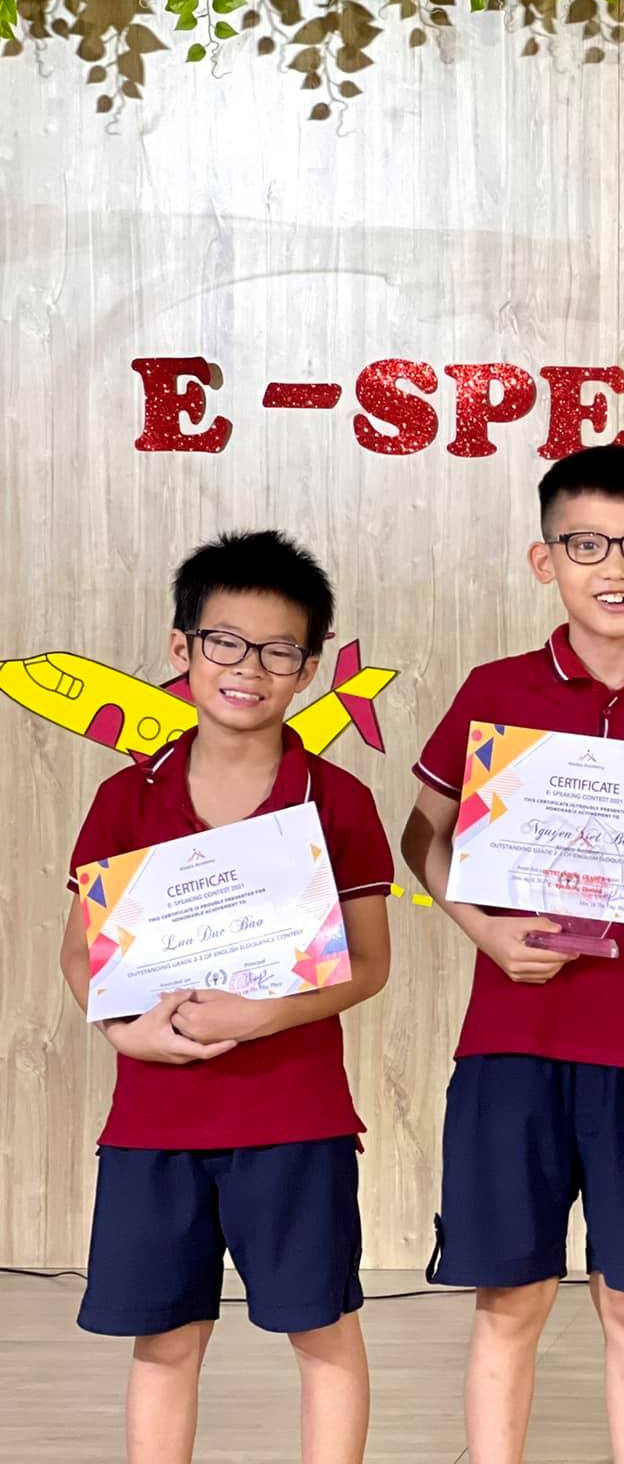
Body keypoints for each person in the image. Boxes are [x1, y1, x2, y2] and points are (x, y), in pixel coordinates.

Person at [400, 446, 624, 1464]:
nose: (615, 567)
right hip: (510, 1042)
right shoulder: (495, 689)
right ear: (545, 559)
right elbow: (421, 836)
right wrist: (482, 929)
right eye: (587, 544)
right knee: (509, 1295)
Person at [58, 530, 395, 1464]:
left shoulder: (340, 800)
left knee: (321, 1329)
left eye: (279, 651)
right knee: (164, 1341)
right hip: (153, 1122)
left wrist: (264, 1015)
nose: (249, 668)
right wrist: (122, 1032)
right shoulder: (125, 799)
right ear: (183, 648)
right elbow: (79, 950)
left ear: (309, 668)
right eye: (225, 643)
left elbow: (369, 964)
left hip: (294, 1116)